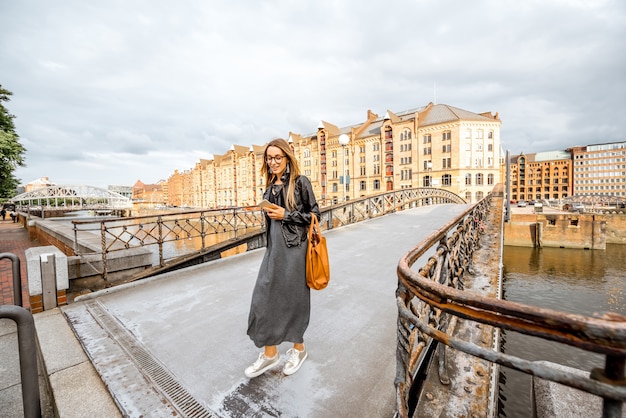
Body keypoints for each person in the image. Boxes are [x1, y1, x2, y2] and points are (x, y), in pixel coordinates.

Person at [245, 138, 320, 378]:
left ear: (287, 158)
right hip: (274, 249)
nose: (273, 162)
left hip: (295, 250)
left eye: (278, 157)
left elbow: (316, 215)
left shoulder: (300, 183)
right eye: (269, 158)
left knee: (294, 299)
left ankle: (299, 349)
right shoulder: (269, 187)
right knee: (263, 298)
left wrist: (286, 214)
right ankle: (270, 354)